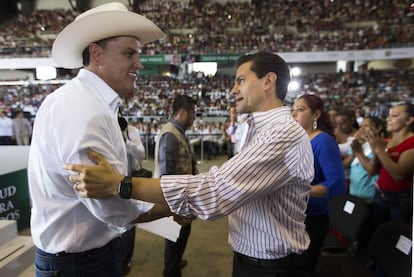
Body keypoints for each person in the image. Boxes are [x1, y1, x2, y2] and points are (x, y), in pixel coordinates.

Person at [66, 52, 315, 277]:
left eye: (240, 80)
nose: (232, 90)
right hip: (255, 260)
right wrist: (183, 206)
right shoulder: (257, 129)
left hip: (272, 267)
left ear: (268, 82)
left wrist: (121, 184)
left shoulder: (282, 134)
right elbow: (237, 190)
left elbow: (217, 189)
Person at [27, 3, 176, 277]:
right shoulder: (86, 111)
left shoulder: (79, 101)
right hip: (80, 264)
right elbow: (111, 209)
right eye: (129, 54)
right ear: (97, 53)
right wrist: (171, 206)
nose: (139, 64)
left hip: (77, 259)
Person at [291, 94, 346, 276]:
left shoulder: (323, 141)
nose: (294, 114)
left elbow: (336, 184)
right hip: (296, 213)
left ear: (316, 114)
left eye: (300, 109)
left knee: (303, 267)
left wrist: (298, 191)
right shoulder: (299, 139)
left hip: (313, 217)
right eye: (293, 110)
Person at [153, 95, 198, 277]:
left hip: (181, 200)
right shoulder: (171, 134)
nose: (194, 118)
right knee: (175, 241)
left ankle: (175, 265)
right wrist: (174, 209)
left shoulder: (177, 132)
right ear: (183, 112)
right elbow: (166, 176)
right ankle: (172, 271)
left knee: (179, 240)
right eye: (193, 113)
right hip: (175, 203)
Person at [363, 103, 414, 227]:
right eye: (388, 116)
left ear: (409, 120)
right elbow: (372, 171)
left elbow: (398, 175)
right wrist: (376, 150)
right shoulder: (386, 142)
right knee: (377, 231)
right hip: (379, 194)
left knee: (395, 235)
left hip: (400, 200)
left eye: (394, 115)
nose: (388, 119)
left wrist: (379, 150)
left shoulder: (411, 143)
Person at [118, 116, 147, 275]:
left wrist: (125, 141)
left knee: (130, 221)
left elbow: (142, 154)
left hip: (131, 180)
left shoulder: (132, 131)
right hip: (111, 181)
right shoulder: (105, 130)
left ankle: (125, 259)